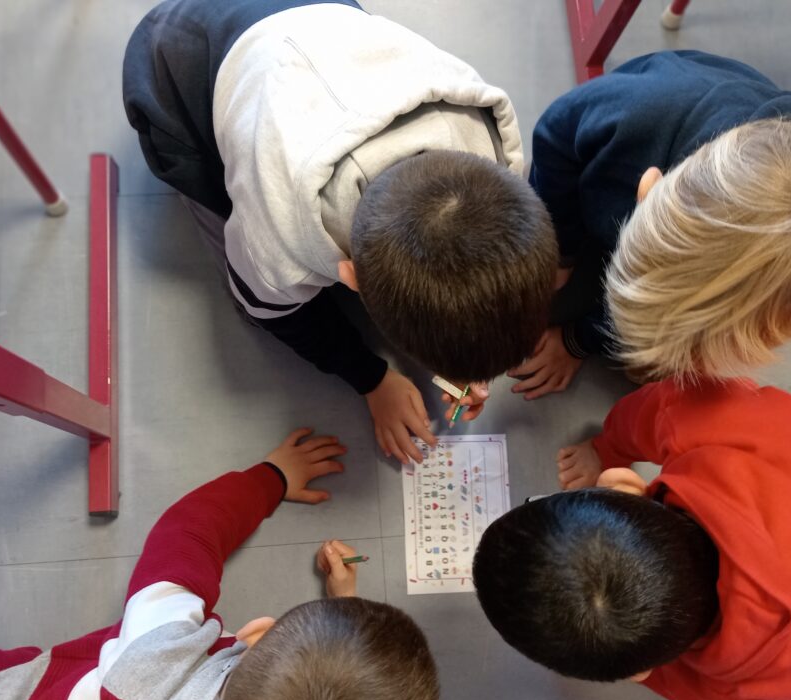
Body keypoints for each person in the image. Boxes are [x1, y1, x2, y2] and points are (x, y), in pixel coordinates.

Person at [122, 0, 558, 464]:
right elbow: (275, 312)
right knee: (239, 257)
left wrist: (465, 354)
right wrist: (371, 379)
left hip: (316, 20)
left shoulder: (493, 151)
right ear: (348, 275)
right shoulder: (280, 245)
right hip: (173, 59)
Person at [0, 429, 441, 700]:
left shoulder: (156, 656)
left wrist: (271, 477)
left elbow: (187, 532)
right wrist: (343, 606)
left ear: (255, 634)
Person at [473, 378, 791, 700]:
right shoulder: (724, 426)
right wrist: (607, 447)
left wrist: (644, 666)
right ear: (623, 485)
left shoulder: (746, 686)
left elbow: (669, 676)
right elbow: (664, 404)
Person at [510, 49, 791, 398]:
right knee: (523, 303)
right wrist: (562, 251)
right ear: (647, 191)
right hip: (584, 196)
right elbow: (554, 135)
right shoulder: (636, 112)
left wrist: (578, 341)